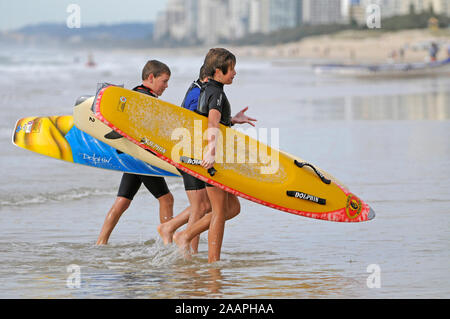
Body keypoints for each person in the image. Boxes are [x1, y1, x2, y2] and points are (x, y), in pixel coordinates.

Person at [173, 48, 256, 263]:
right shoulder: (217, 92)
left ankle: (186, 235)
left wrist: (231, 119)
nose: (235, 73)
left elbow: (208, 119)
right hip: (212, 159)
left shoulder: (207, 89)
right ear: (218, 71)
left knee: (232, 208)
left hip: (206, 154)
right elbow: (211, 123)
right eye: (232, 69)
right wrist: (211, 153)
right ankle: (213, 263)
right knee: (220, 211)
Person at [96, 60, 176, 245]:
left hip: (131, 155)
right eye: (164, 81)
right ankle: (167, 243)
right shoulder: (143, 98)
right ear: (151, 77)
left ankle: (101, 242)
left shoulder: (135, 94)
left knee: (122, 201)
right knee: (166, 199)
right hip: (140, 157)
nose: (166, 86)